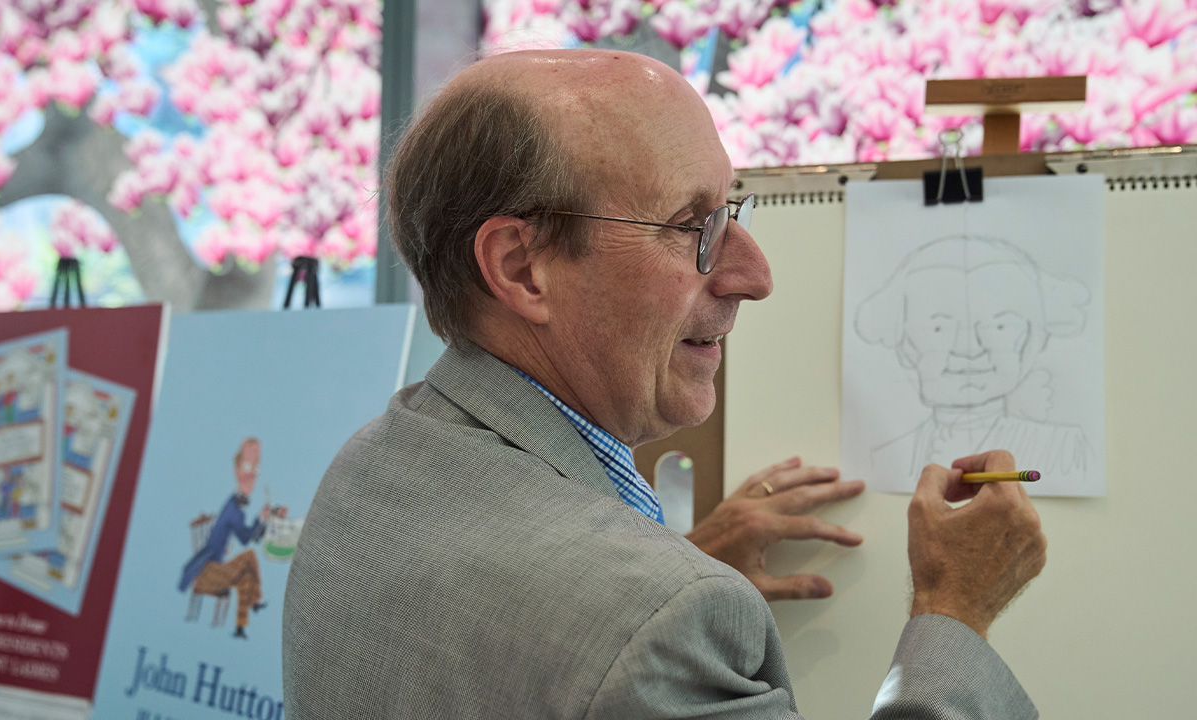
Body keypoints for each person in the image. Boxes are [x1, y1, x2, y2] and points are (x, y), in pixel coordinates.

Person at [283, 49, 1046, 718]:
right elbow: (608, 630)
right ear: (521, 268)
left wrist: (672, 556)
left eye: (732, 210)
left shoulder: (367, 470)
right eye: (693, 225)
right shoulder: (659, 618)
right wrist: (955, 613)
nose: (755, 275)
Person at [856, 234, 1090, 483]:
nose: (968, 350)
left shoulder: (1065, 449)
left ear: (1033, 339)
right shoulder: (881, 460)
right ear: (904, 345)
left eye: (999, 327)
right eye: (938, 328)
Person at [180, 437, 283, 638]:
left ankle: (240, 627)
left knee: (246, 573)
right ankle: (254, 602)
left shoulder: (235, 506)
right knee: (249, 558)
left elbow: (244, 536)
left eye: (256, 468)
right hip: (207, 572)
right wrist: (261, 519)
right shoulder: (233, 509)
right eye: (247, 466)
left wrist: (261, 519)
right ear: (236, 470)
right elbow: (245, 538)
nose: (252, 475)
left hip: (215, 568)